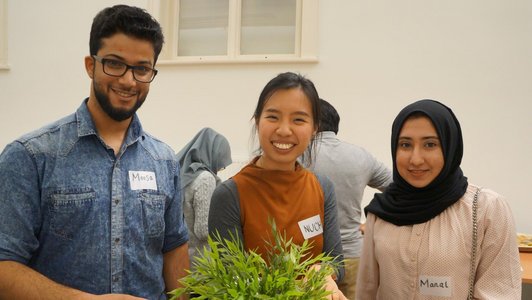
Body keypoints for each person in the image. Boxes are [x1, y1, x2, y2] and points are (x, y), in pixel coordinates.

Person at [0, 5, 189, 299]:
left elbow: (174, 248)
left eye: (142, 69)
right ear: (91, 65)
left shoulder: (164, 161)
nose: (128, 80)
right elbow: (4, 266)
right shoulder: (30, 157)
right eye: (115, 64)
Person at [356, 99, 521, 299]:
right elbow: (367, 291)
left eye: (430, 144)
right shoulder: (381, 212)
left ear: (450, 146)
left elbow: (499, 293)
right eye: (405, 144)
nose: (416, 159)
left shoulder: (487, 209)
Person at [208, 72, 347, 300]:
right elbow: (230, 278)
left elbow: (336, 262)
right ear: (257, 121)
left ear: (314, 128)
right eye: (273, 117)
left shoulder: (322, 187)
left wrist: (322, 271)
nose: (284, 130)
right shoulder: (230, 195)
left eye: (298, 119)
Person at [306, 98, 392, 299]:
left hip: (313, 262)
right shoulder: (361, 155)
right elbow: (397, 188)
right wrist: (373, 221)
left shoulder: (300, 156)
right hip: (355, 254)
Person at [176, 127, 232, 269]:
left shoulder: (184, 174)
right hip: (201, 266)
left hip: (182, 260)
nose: (220, 168)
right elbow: (203, 231)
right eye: (221, 163)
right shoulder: (205, 179)